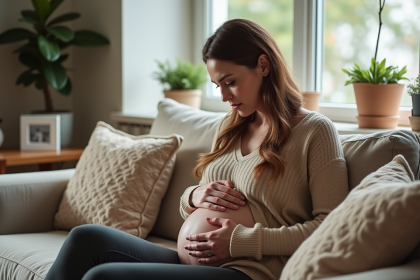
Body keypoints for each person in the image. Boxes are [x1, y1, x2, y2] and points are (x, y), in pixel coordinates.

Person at [45, 19, 349, 280]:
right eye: (218, 85)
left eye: (230, 82)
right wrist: (192, 196)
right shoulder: (230, 126)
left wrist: (240, 241)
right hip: (193, 262)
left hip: (250, 271)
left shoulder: (315, 132)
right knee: (86, 237)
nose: (224, 96)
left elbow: (332, 228)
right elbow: (201, 199)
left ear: (263, 65)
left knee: (102, 276)